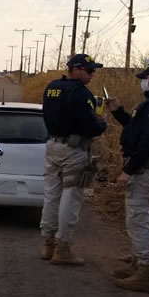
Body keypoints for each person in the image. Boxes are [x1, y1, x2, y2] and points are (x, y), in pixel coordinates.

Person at [105, 61, 149, 293]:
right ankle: (138, 262)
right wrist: (119, 112)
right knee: (136, 217)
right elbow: (135, 130)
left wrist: (128, 171)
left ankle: (145, 271)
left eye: (146, 77)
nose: (143, 82)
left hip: (144, 168)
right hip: (142, 166)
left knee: (138, 218)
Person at [39, 54, 108, 265]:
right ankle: (63, 248)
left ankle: (48, 243)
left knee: (52, 195)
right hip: (73, 149)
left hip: (53, 146)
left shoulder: (52, 87)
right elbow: (89, 126)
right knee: (71, 196)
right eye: (90, 70)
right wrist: (102, 123)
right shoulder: (81, 93)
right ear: (76, 69)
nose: (92, 74)